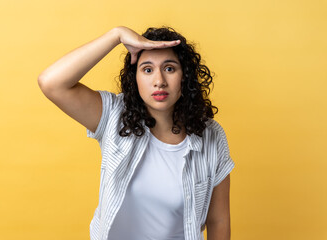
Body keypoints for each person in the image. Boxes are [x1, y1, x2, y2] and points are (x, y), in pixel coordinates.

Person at [38, 26, 235, 240]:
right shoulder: (114, 116)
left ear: (184, 76)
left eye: (169, 68)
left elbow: (218, 221)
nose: (159, 81)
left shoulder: (211, 136)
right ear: (136, 78)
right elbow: (52, 83)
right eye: (147, 70)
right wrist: (116, 35)